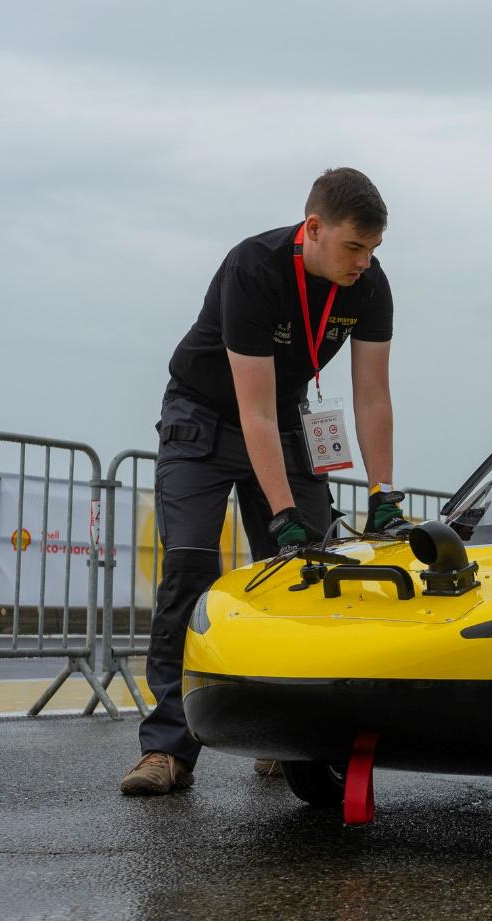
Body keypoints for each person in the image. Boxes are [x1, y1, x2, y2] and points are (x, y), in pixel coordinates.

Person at [120, 168, 408, 796]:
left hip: (285, 422)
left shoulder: (369, 286)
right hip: (204, 418)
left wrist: (385, 494)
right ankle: (167, 751)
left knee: (307, 573)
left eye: (373, 250)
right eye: (353, 247)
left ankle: (284, 740)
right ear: (313, 230)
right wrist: (282, 512)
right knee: (190, 570)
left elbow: (373, 398)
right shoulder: (253, 268)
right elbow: (250, 410)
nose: (363, 262)